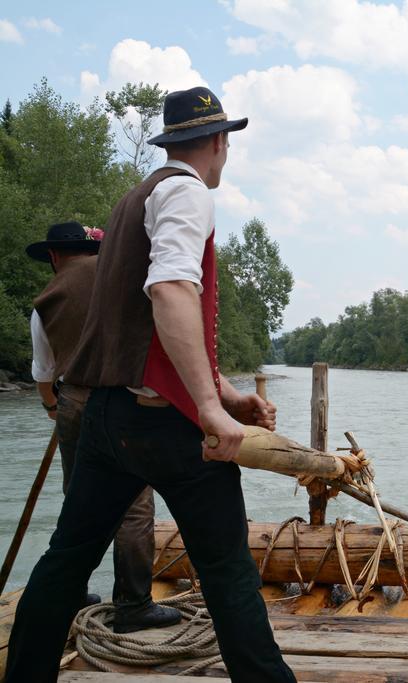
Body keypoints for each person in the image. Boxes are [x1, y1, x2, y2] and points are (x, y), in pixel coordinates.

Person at [5, 87, 296, 682]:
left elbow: (146, 330)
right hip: (171, 427)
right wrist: (212, 411)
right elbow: (169, 294)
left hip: (108, 419)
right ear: (220, 142)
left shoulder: (132, 201)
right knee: (229, 575)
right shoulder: (188, 192)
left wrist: (225, 389)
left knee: (65, 560)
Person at [26, 221, 181, 632]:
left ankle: (70, 594)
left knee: (79, 501)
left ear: (55, 257)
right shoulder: (125, 280)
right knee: (133, 507)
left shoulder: (48, 300)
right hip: (127, 399)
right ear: (93, 251)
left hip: (74, 401)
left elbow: (44, 372)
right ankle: (132, 605)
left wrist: (52, 407)